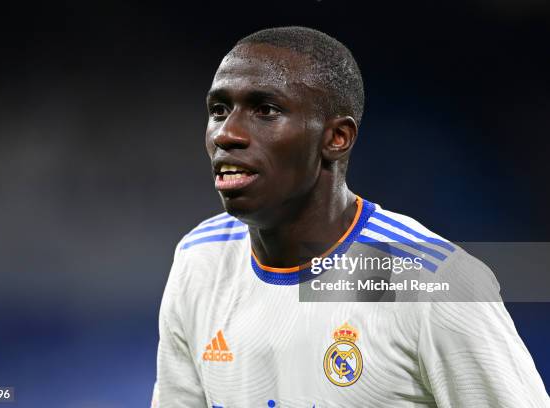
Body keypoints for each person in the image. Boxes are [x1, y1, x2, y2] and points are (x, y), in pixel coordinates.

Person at [152, 26, 548, 407]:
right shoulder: (199, 260)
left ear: (336, 138)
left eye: (265, 110)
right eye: (219, 110)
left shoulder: (430, 282)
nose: (226, 134)